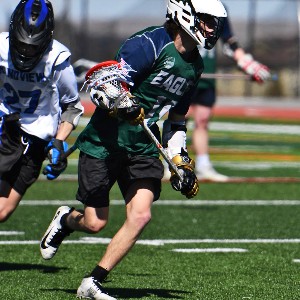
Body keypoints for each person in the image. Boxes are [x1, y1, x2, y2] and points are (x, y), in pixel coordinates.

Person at [40, 0, 227, 299]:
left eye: (214, 23)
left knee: (141, 215)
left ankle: (93, 282)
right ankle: (65, 219)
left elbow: (176, 120)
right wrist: (122, 103)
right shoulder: (148, 44)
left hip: (142, 145)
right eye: (207, 21)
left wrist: (180, 162)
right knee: (95, 222)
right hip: (105, 142)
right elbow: (101, 84)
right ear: (185, 14)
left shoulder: (196, 65)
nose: (212, 29)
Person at [0, 0, 84, 223]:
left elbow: (73, 106)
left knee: (2, 211)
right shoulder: (0, 48)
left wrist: (58, 141)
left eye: (33, 46)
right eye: (22, 44)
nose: (26, 51)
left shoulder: (57, 60)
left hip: (35, 142)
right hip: (4, 129)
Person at [163, 14, 271, 182]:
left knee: (203, 119)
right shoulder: (188, 5)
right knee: (180, 118)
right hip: (185, 70)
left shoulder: (219, 9)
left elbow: (229, 41)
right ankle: (169, 161)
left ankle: (204, 165)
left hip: (206, 75)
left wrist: (247, 63)